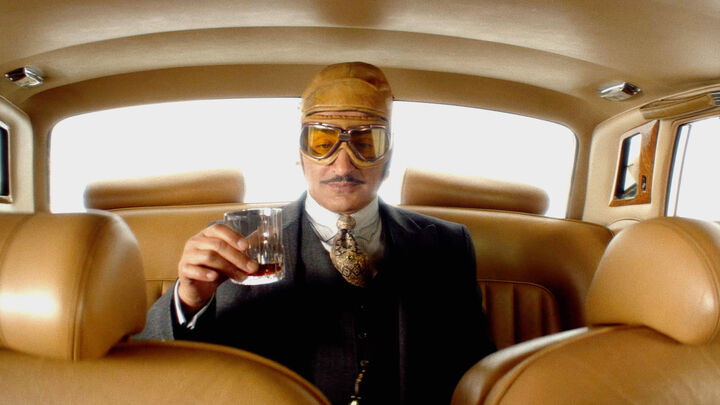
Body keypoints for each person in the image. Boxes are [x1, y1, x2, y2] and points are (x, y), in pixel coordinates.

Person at [135, 62, 495, 404]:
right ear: (300, 154)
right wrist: (188, 301)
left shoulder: (447, 245)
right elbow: (155, 369)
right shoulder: (234, 240)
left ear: (388, 155)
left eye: (366, 143)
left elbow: (478, 369)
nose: (343, 164)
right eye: (323, 143)